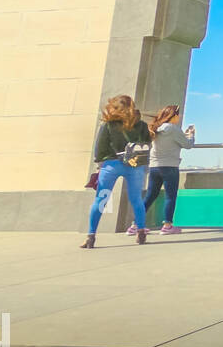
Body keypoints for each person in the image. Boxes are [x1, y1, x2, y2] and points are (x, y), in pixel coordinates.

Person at [82, 94, 152, 248]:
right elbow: (147, 144)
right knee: (136, 199)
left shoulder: (108, 126)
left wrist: (101, 162)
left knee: (101, 199)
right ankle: (141, 232)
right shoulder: (140, 125)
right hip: (135, 164)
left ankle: (91, 235)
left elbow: (100, 148)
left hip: (111, 165)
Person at [141, 104, 196, 235]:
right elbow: (188, 145)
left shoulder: (157, 128)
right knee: (170, 196)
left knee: (150, 195)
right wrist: (191, 135)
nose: (180, 117)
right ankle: (167, 225)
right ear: (174, 116)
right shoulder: (173, 129)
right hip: (170, 167)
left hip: (154, 167)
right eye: (178, 114)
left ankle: (135, 224)